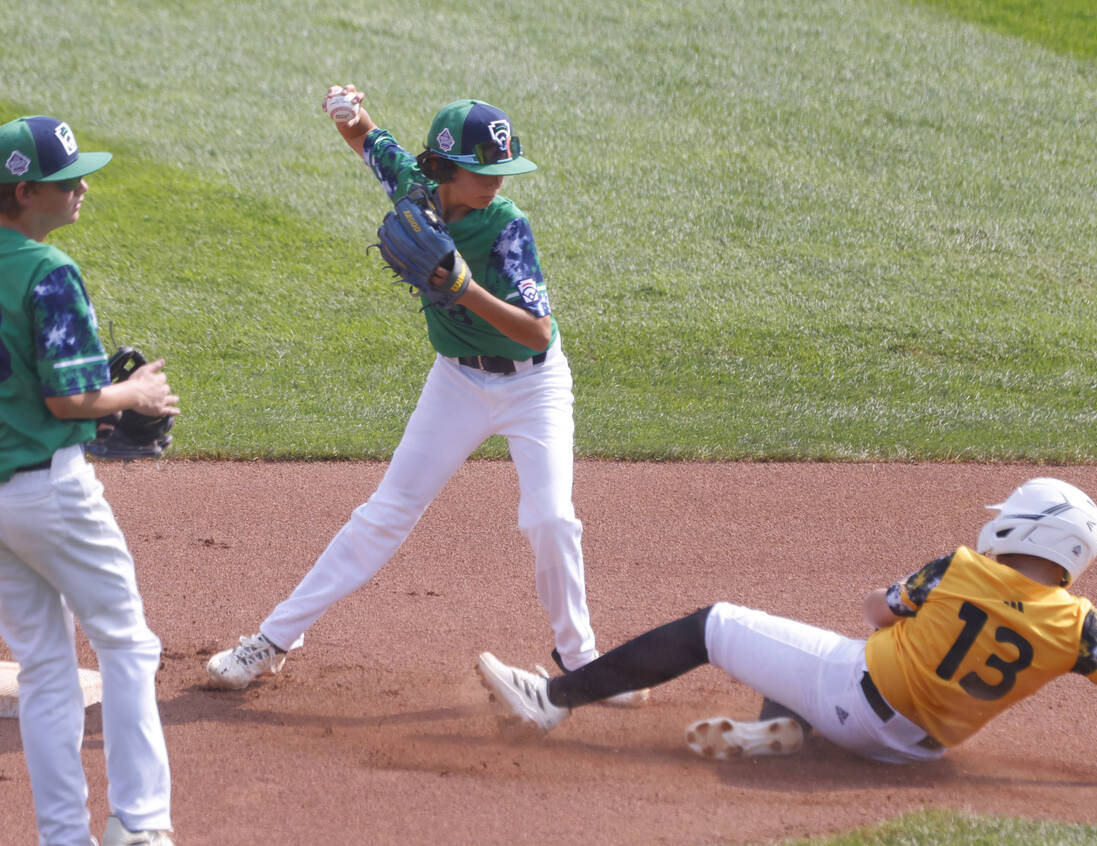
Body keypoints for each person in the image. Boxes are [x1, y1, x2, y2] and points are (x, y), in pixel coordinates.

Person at [206, 85, 647, 707]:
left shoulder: (507, 227)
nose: (495, 182)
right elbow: (365, 136)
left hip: (534, 384)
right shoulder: (413, 186)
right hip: (458, 381)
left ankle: (582, 664)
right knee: (384, 514)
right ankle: (273, 641)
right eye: (482, 170)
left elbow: (537, 330)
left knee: (552, 519)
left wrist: (465, 289)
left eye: (503, 169)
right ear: (443, 168)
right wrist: (346, 108)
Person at [478, 478, 1097, 765]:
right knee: (808, 658)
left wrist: (903, 614)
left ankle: (554, 700)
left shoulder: (962, 568)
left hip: (855, 698)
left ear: (1024, 526)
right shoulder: (1084, 630)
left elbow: (877, 610)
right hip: (916, 753)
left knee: (717, 625)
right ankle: (783, 730)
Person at [0, 116, 180, 846]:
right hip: (52, 494)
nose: (81, 189)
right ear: (22, 191)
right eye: (65, 181)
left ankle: (63, 839)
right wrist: (132, 397)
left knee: (45, 668)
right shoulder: (47, 272)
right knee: (128, 647)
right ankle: (139, 828)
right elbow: (68, 401)